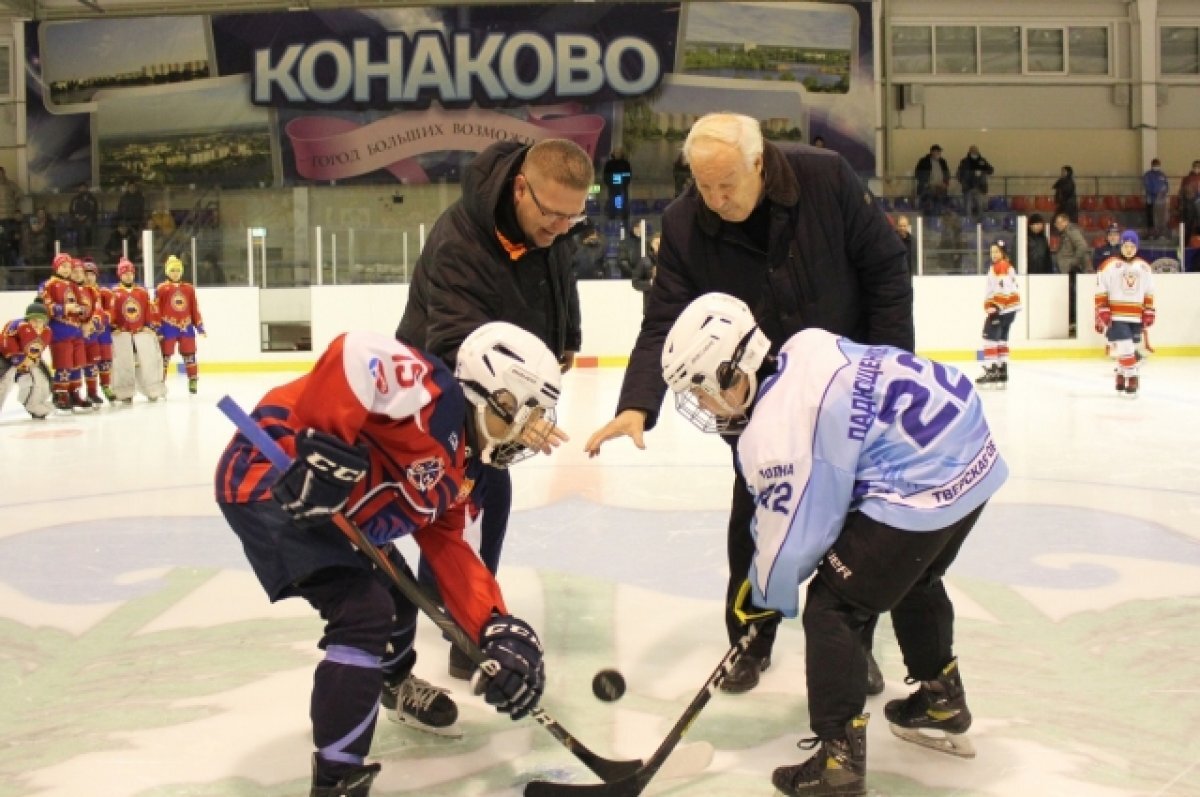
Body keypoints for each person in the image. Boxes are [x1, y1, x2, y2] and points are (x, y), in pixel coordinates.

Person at [583, 112, 913, 695]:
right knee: (756, 521)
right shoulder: (684, 223)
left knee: (854, 528)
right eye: (703, 185)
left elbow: (886, 271)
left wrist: (890, 372)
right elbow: (663, 321)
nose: (715, 199)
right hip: (755, 399)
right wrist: (637, 403)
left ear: (758, 163)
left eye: (726, 184)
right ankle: (750, 638)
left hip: (847, 389)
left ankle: (852, 646)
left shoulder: (826, 179)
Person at [659, 292, 1007, 797]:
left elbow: (793, 544)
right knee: (915, 577)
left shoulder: (771, 433)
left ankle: (838, 761)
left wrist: (761, 596)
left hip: (924, 483)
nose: (701, 405)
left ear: (733, 371)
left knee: (833, 607)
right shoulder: (805, 345)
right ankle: (940, 699)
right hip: (973, 453)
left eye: (700, 388)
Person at [214, 322, 564, 797]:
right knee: (364, 611)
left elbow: (450, 549)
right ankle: (337, 781)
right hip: (270, 475)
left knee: (398, 596)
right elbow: (356, 352)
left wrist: (496, 628)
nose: (530, 432)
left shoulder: (461, 470)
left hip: (339, 509)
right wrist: (324, 452)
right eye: (528, 414)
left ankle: (393, 685)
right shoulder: (434, 397)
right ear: (497, 396)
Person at [395, 137, 589, 681]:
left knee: (480, 493)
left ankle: (457, 609)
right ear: (521, 189)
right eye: (552, 215)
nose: (561, 228)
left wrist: (566, 338)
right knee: (468, 497)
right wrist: (515, 410)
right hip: (443, 381)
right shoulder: (461, 242)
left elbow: (559, 276)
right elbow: (453, 342)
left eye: (573, 218)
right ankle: (458, 631)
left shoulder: (549, 224)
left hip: (504, 382)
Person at [1095, 230, 1155, 397]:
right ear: (1121, 246)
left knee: (1129, 346)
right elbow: (1101, 289)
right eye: (1126, 246)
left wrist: (1149, 310)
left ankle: (1120, 373)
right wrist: (1102, 309)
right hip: (1116, 315)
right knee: (1125, 345)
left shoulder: (1144, 267)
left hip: (1136, 315)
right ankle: (1132, 376)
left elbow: (1149, 291)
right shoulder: (1109, 265)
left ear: (1137, 247)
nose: (1129, 249)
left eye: (1132, 246)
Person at [39, 252, 91, 412]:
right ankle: (60, 393)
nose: (67, 269)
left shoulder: (73, 285)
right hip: (60, 330)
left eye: (69, 266)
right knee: (64, 363)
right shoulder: (49, 284)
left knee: (77, 363)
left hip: (76, 330)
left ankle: (74, 392)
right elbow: (44, 306)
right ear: (56, 267)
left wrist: (82, 311)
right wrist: (64, 308)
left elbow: (84, 304)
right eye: (63, 266)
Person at [109, 257, 165, 403]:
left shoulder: (142, 291)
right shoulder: (114, 292)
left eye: (131, 273)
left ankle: (152, 389)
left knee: (148, 361)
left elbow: (149, 310)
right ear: (120, 275)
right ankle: (124, 392)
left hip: (140, 332)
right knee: (123, 363)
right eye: (125, 273)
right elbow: (112, 311)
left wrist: (150, 326)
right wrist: (113, 326)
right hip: (123, 334)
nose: (128, 276)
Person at [156, 255, 205, 395]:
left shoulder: (189, 289)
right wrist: (158, 328)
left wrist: (199, 325)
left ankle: (193, 379)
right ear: (167, 272)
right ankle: (160, 383)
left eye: (177, 270)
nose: (175, 273)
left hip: (186, 326)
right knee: (165, 356)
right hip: (168, 326)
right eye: (172, 270)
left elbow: (194, 308)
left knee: (189, 354)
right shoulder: (162, 288)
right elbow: (156, 309)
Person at [976, 240, 1021, 387]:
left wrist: (996, 306)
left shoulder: (1000, 266)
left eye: (997, 251)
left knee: (989, 339)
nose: (994, 254)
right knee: (1002, 340)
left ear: (1003, 253)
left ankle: (991, 370)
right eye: (992, 252)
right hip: (1010, 310)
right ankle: (1002, 370)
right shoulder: (1008, 266)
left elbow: (1003, 288)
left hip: (1001, 309)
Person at [0, 302, 54, 420]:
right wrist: (19, 360)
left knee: (42, 380)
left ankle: (34, 406)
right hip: (5, 358)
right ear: (27, 319)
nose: (37, 324)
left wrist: (31, 360)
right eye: (33, 320)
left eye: (40, 321)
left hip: (28, 360)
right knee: (4, 382)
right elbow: (5, 344)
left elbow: (36, 351)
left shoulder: (47, 332)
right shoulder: (15, 326)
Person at [1053, 212, 1091, 335]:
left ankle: (1073, 320)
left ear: (1066, 221)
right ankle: (1071, 320)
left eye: (1059, 222)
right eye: (1056, 223)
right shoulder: (1066, 233)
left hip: (1072, 269)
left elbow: (1082, 246)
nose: (1057, 225)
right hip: (1068, 269)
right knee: (1069, 295)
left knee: (1072, 296)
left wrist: (1073, 262)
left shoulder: (1071, 231)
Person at [956, 145, 994, 224]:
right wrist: (964, 182)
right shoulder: (964, 161)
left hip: (980, 188)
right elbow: (959, 174)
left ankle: (979, 223)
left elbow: (990, 170)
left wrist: (983, 171)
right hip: (968, 188)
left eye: (975, 150)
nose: (974, 152)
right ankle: (969, 223)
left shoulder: (982, 161)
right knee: (968, 206)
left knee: (980, 205)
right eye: (972, 151)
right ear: (969, 151)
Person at [914, 144, 950, 217]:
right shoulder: (924, 161)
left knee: (939, 205)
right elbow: (918, 174)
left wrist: (945, 183)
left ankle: (938, 217)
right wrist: (926, 183)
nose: (939, 153)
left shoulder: (943, 161)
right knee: (929, 205)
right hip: (928, 188)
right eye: (937, 151)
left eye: (939, 152)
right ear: (932, 152)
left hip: (940, 188)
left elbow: (947, 174)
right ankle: (929, 218)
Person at [602, 147, 633, 227]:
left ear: (622, 154)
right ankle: (612, 220)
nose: (617, 154)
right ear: (613, 154)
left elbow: (628, 175)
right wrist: (610, 183)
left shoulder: (626, 163)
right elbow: (606, 176)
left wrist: (623, 182)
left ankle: (624, 220)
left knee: (624, 203)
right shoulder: (609, 164)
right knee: (612, 203)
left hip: (623, 187)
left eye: (619, 152)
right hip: (612, 187)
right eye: (616, 152)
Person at [631, 233, 659, 313]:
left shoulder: (670, 262)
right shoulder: (644, 262)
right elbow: (635, 282)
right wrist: (650, 283)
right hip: (650, 308)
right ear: (652, 244)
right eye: (657, 243)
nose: (659, 246)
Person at [1142, 158, 1170, 238]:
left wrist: (1163, 192)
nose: (1156, 166)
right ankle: (1151, 233)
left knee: (1161, 218)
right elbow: (1147, 186)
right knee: (1151, 217)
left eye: (1157, 165)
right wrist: (1156, 193)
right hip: (1151, 200)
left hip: (1161, 201)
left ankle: (1160, 233)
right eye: (1155, 165)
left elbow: (1166, 186)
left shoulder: (1162, 175)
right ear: (1152, 165)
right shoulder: (1147, 175)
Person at [68, 182, 99, 250]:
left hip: (89, 219)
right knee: (78, 226)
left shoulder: (92, 199)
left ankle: (85, 247)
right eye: (81, 188)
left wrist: (85, 216)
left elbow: (94, 211)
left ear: (87, 189)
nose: (82, 189)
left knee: (85, 226)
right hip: (77, 219)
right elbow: (71, 210)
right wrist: (77, 216)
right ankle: (80, 247)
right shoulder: (75, 199)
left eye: (84, 188)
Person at [1179, 159, 1200, 243]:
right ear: (1193, 167)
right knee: (1189, 224)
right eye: (1196, 167)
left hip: (1198, 204)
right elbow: (1182, 192)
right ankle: (1186, 242)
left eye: (1198, 167)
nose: (1197, 168)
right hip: (1189, 204)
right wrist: (1181, 204)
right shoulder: (1187, 179)